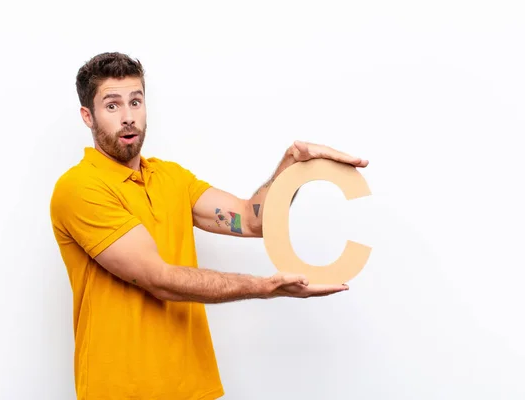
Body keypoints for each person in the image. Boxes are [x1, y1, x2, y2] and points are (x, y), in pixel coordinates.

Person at [49, 51, 369, 400]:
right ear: (87, 115)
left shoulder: (171, 178)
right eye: (112, 106)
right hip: (122, 391)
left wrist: (291, 167)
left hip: (192, 387)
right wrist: (264, 287)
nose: (128, 117)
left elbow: (251, 220)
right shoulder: (79, 188)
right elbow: (160, 280)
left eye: (136, 102)